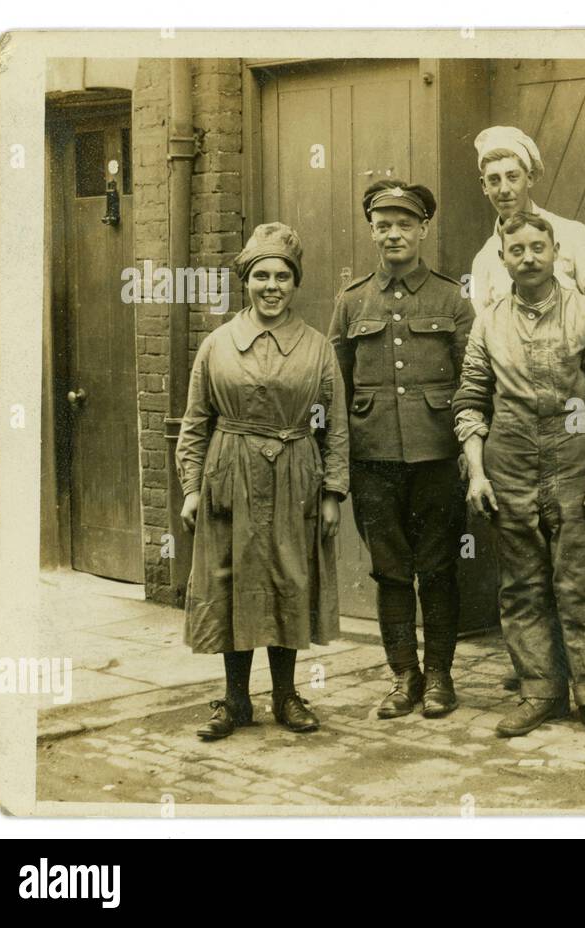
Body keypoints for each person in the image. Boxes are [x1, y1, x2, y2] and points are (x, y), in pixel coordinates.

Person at [453, 211, 585, 741]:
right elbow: (470, 400)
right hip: (509, 465)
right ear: (503, 258)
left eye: (538, 247)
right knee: (523, 586)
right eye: (517, 250)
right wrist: (477, 474)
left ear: (555, 252)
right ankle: (540, 692)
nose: (528, 257)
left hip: (577, 462)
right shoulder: (488, 321)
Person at [177, 222, 349, 740]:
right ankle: (233, 701)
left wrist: (333, 493)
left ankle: (285, 696)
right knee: (230, 581)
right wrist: (190, 488)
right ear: (245, 282)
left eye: (282, 276)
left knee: (288, 580)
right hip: (229, 478)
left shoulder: (318, 347)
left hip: (297, 475)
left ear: (295, 284)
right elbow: (194, 422)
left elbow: (334, 424)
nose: (271, 286)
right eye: (261, 276)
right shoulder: (216, 345)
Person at [327, 181, 474, 720]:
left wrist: (469, 455)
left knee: (437, 570)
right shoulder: (351, 302)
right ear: (372, 231)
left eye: (404, 224)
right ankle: (403, 677)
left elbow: (473, 382)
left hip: (438, 458)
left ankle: (439, 677)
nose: (394, 234)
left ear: (423, 230)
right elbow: (335, 391)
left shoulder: (452, 298)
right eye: (383, 224)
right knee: (390, 573)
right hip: (374, 462)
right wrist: (337, 471)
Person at [469, 125, 585, 333]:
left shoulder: (573, 235)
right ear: (484, 186)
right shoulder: (484, 259)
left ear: (530, 178)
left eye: (512, 176)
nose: (504, 189)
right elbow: (484, 330)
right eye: (494, 180)